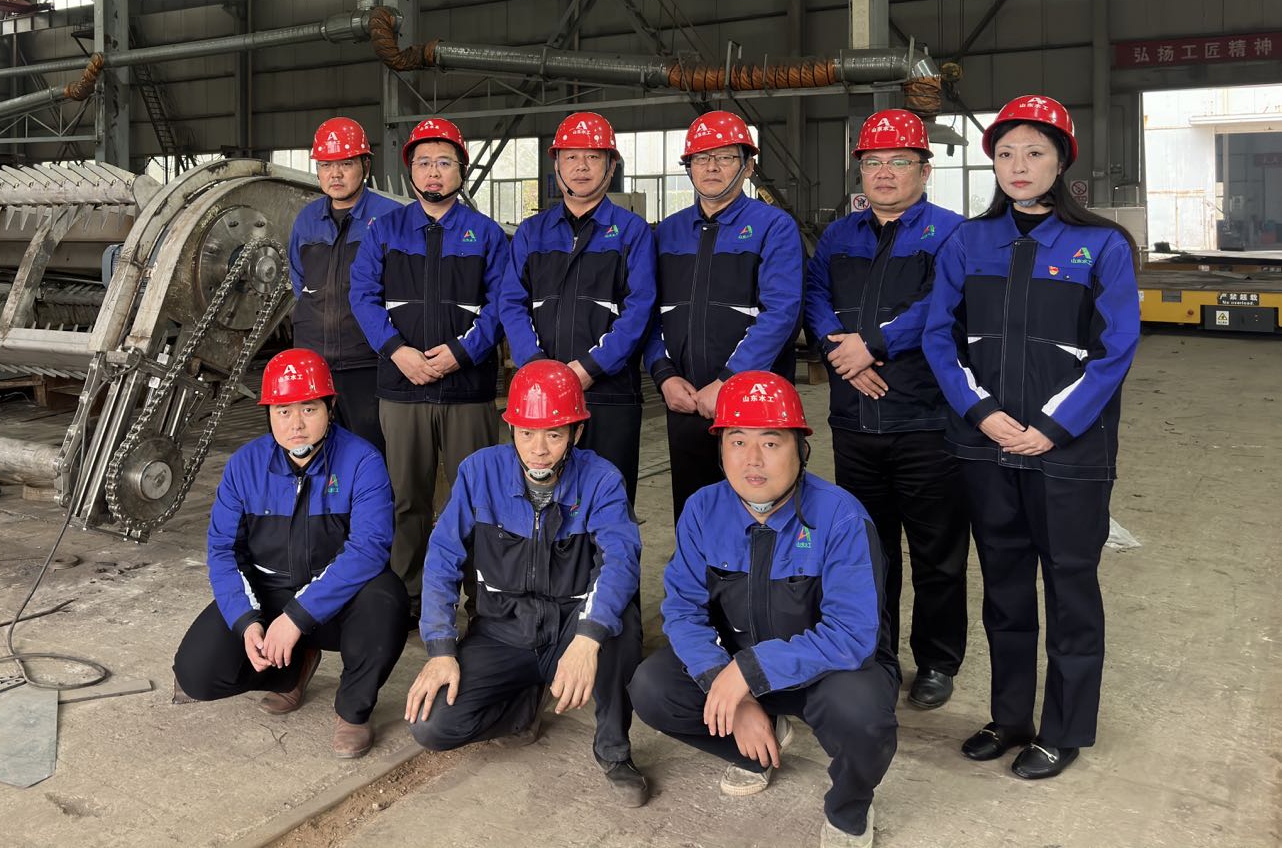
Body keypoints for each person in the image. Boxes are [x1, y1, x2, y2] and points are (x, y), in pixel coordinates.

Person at [923, 94, 1140, 780]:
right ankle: (1010, 717)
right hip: (986, 447)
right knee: (1005, 586)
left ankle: (1063, 728)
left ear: (1061, 161)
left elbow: (1115, 349)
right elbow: (939, 335)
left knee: (1070, 586)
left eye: (1035, 152)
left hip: (1069, 453)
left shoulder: (1102, 245)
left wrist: (1051, 427)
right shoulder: (968, 243)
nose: (1019, 165)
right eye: (1006, 153)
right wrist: (981, 413)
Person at [629, 371, 897, 848]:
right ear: (721, 449)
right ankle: (754, 750)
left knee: (863, 716)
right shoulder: (702, 509)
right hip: (740, 664)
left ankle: (849, 807)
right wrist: (730, 686)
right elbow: (683, 611)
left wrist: (749, 672)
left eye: (771, 443)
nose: (752, 459)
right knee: (652, 687)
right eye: (737, 441)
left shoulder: (841, 517)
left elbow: (853, 635)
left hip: (826, 672)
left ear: (801, 449)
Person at [403, 359, 649, 805]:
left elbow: (621, 562)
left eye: (554, 434)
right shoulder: (479, 473)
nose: (538, 449)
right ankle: (522, 710)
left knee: (621, 628)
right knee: (432, 725)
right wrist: (440, 649)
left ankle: (614, 751)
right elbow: (442, 558)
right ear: (511, 429)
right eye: (527, 433)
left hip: (570, 624)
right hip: (503, 629)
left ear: (576, 433)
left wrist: (587, 639)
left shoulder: (601, 480)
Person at [804, 109, 969, 711]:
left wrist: (872, 344)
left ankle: (937, 661)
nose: (884, 173)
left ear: (925, 170)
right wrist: (841, 352)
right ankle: (877, 654)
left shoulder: (951, 234)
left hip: (926, 420)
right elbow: (815, 295)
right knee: (868, 552)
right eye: (873, 162)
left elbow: (943, 304)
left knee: (937, 552)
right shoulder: (839, 236)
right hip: (855, 423)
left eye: (899, 161)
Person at [170, 349, 409, 760]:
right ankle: (291, 672)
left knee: (387, 602)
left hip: (340, 600)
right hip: (271, 590)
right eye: (283, 411)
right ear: (269, 414)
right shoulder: (245, 466)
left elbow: (368, 549)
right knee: (197, 675)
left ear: (330, 407)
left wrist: (299, 616)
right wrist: (247, 622)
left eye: (309, 409)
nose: (295, 424)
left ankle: (353, 710)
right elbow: (223, 550)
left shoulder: (362, 461)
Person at [348, 116, 509, 610]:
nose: (433, 172)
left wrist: (462, 353)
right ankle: (408, 598)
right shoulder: (384, 231)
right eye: (423, 163)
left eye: (444, 162)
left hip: (468, 392)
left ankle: (480, 601)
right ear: (410, 172)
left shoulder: (487, 234)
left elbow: (502, 303)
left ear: (461, 170)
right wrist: (397, 351)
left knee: (476, 499)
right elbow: (363, 296)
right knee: (406, 500)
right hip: (403, 389)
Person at [646, 111, 804, 520]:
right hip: (685, 401)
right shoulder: (666, 233)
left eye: (725, 157)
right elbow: (649, 312)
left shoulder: (774, 227)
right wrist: (664, 376)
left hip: (754, 404)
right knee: (694, 514)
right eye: (701, 158)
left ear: (748, 166)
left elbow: (781, 313)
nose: (711, 167)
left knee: (760, 515)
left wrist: (728, 383)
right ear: (689, 167)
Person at [498, 111, 656, 502]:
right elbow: (512, 303)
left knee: (609, 502)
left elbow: (639, 310)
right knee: (544, 504)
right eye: (571, 156)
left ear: (611, 165)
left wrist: (589, 369)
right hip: (541, 397)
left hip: (609, 393)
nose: (581, 166)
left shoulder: (632, 232)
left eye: (593, 156)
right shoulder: (532, 233)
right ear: (556, 166)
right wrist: (538, 368)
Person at [287, 116, 396, 456]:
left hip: (370, 364)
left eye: (346, 164)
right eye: (325, 165)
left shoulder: (391, 218)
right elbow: (299, 282)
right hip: (314, 364)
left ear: (365, 165)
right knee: (316, 455)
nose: (335, 174)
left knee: (371, 454)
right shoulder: (306, 220)